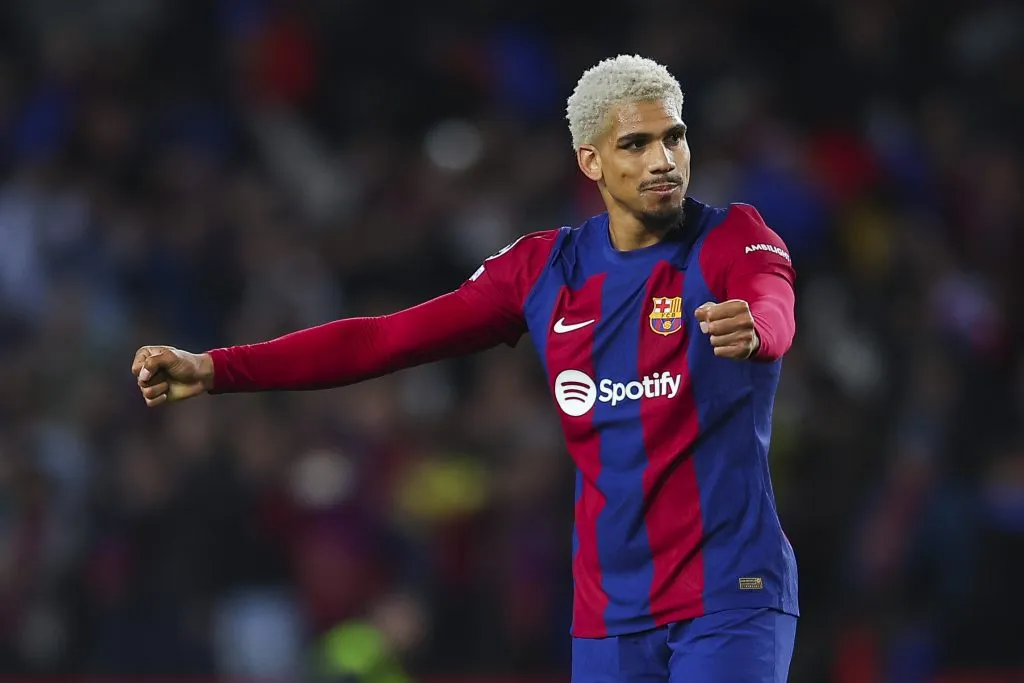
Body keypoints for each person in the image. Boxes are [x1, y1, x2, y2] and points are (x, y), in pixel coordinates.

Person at [132, 54, 799, 682]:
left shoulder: (732, 236)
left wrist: (759, 332)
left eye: (674, 137)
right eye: (636, 144)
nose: (663, 160)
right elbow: (381, 340)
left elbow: (775, 302)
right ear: (590, 161)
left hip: (728, 594)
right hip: (611, 616)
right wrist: (218, 367)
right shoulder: (542, 271)